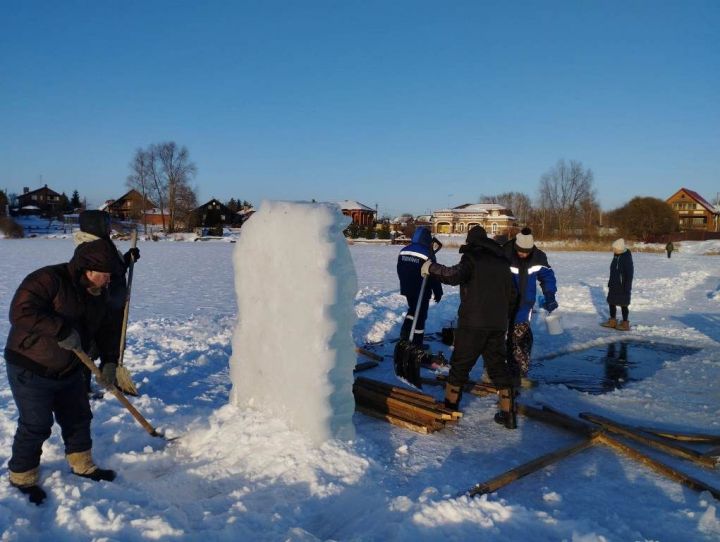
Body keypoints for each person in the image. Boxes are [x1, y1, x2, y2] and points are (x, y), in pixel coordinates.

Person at [4, 240, 121, 505]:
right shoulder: (48, 279)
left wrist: (110, 361)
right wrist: (60, 329)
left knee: (78, 416)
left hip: (69, 367)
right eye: (105, 273)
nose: (108, 279)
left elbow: (106, 329)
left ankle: (82, 464)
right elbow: (20, 312)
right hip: (30, 364)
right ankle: (22, 475)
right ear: (87, 268)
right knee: (36, 424)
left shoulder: (100, 292)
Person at [420, 226, 518, 429]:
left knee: (460, 367)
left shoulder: (472, 258)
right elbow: (513, 297)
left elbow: (453, 275)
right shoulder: (503, 263)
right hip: (497, 326)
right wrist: (501, 317)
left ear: (471, 241)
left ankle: (450, 408)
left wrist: (431, 268)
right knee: (498, 367)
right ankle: (508, 414)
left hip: (473, 324)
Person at [75, 210, 140, 389]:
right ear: (95, 226)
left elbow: (112, 270)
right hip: (99, 307)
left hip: (111, 305)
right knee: (91, 347)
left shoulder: (102, 245)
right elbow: (99, 276)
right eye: (106, 224)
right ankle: (82, 387)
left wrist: (127, 259)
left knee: (110, 344)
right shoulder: (89, 248)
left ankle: (110, 380)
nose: (109, 227)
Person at [502, 228, 557, 382]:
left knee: (522, 340)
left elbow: (548, 277)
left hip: (525, 306)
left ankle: (519, 375)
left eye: (527, 252)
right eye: (521, 252)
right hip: (504, 305)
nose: (524, 255)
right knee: (501, 339)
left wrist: (550, 295)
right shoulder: (505, 254)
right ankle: (496, 372)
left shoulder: (538, 257)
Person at [397, 227, 443, 347]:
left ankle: (405, 334)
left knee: (412, 310)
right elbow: (434, 275)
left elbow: (399, 269)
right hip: (421, 289)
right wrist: (438, 292)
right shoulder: (427, 254)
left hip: (407, 288)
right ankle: (416, 344)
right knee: (420, 315)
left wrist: (405, 283)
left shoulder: (404, 250)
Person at [601, 238, 634, 331]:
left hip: (622, 286)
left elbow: (629, 274)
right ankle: (612, 321)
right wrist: (610, 282)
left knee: (624, 304)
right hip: (614, 284)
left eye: (615, 248)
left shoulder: (626, 257)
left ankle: (625, 323)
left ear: (620, 248)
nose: (613, 250)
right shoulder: (616, 256)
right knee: (612, 302)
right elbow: (613, 271)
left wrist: (627, 287)